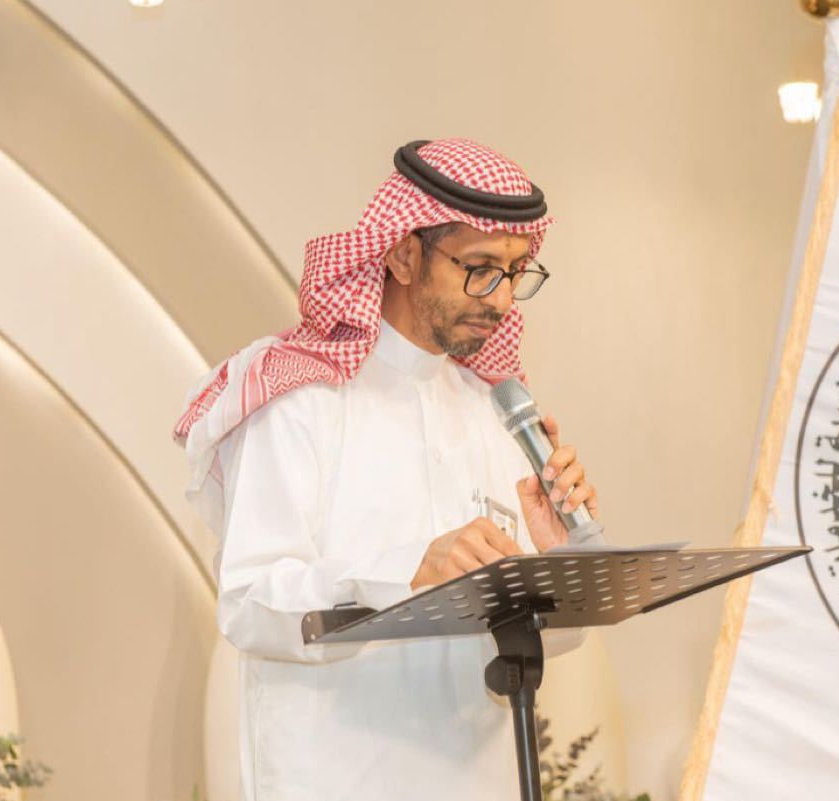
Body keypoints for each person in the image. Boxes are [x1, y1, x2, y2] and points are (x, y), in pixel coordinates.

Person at [174, 138, 598, 801]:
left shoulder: (495, 413)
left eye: (516, 273)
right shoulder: (303, 401)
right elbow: (251, 605)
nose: (501, 301)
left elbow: (543, 642)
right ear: (402, 254)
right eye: (480, 268)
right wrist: (410, 571)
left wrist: (558, 561)